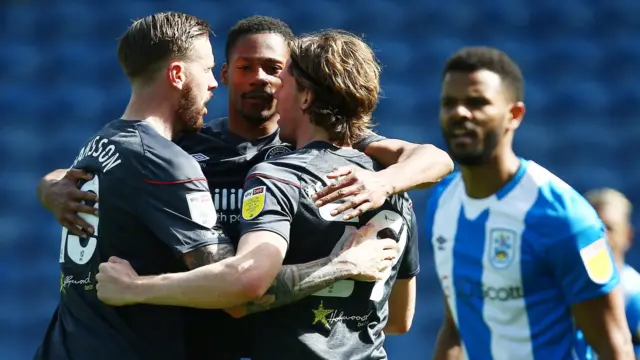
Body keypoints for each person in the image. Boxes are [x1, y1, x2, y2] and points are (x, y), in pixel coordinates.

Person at [36, 16, 453, 360]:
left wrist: (382, 183)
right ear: (224, 73)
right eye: (244, 67)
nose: (261, 80)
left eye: (275, 70)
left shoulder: (346, 164)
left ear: (299, 88)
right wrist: (51, 186)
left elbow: (433, 158)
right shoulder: (181, 149)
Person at [427, 46, 634, 360]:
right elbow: (456, 329)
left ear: (514, 115)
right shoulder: (443, 202)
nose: (460, 113)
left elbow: (614, 347)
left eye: (477, 102)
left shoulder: (564, 217)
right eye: (449, 103)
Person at [585, 188, 640, 358]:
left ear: (628, 236)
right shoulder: (563, 290)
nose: (602, 235)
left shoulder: (635, 294)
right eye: (595, 227)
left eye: (609, 227)